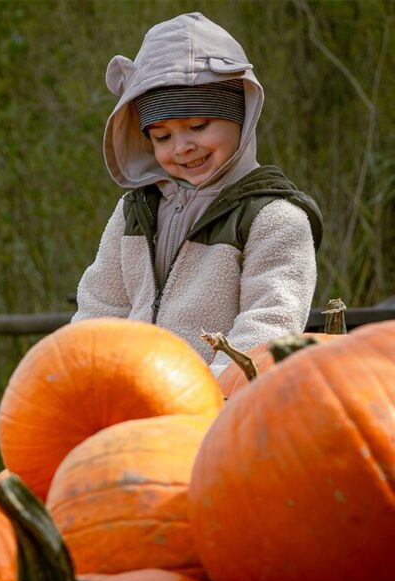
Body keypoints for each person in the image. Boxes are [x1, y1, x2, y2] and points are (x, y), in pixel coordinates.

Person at [72, 12, 323, 376]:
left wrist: (208, 398)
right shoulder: (135, 209)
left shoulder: (275, 218)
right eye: (162, 136)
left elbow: (269, 324)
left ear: (241, 116)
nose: (183, 147)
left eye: (198, 126)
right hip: (131, 405)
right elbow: (100, 306)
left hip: (216, 413)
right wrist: (83, 376)